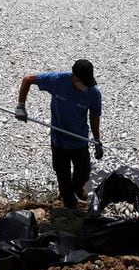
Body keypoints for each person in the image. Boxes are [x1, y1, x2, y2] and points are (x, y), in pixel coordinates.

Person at [16, 59, 103, 208]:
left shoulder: (93, 93)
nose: (86, 86)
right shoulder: (58, 80)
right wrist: (21, 106)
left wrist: (97, 141)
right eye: (83, 82)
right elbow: (28, 79)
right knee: (62, 176)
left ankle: (78, 187)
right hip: (59, 140)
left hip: (80, 140)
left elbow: (94, 117)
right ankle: (70, 206)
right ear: (74, 77)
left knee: (83, 173)